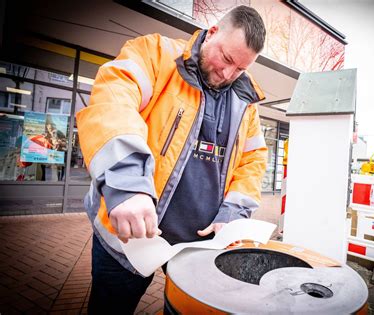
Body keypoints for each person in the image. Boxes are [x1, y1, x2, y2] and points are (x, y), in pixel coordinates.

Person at [76, 5, 268, 314]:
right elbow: (112, 103)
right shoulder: (155, 54)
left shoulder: (246, 103)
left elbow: (253, 161)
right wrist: (127, 182)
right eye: (227, 59)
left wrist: (233, 213)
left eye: (241, 69)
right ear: (213, 32)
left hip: (199, 247)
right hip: (129, 238)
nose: (228, 74)